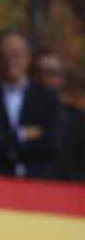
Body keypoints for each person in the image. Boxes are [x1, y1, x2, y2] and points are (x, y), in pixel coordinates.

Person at [0, 29, 61, 180]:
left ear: (27, 57)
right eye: (3, 56)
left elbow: (51, 144)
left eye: (15, 55)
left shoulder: (47, 98)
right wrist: (21, 134)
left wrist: (3, 137)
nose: (9, 61)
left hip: (39, 183)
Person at [31, 48, 84, 182]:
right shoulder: (16, 113)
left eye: (52, 73)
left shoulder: (78, 119)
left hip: (64, 194)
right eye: (39, 72)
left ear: (63, 78)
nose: (44, 78)